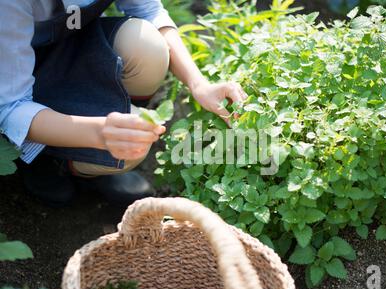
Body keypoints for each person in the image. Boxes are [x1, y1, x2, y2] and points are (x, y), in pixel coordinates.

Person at [0, 0, 247, 206]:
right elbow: (10, 107)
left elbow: (149, 11)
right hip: (14, 75)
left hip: (73, 48)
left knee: (147, 48)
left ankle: (91, 161)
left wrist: (199, 84)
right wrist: (101, 133)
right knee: (120, 147)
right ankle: (47, 158)